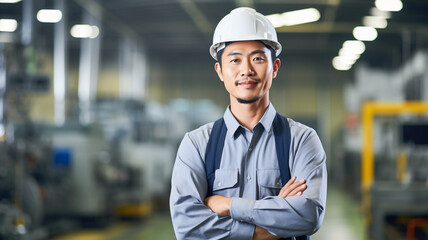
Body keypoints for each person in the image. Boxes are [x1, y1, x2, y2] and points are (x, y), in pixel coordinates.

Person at [169, 7, 327, 240]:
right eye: (235, 59)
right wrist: (269, 224)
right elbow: (187, 224)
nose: (246, 70)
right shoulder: (197, 144)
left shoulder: (302, 140)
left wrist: (228, 205)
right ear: (220, 71)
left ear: (274, 68)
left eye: (257, 58)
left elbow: (308, 215)